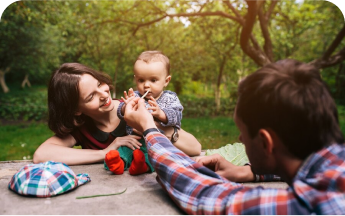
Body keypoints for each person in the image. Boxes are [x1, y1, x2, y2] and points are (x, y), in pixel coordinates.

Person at [122, 59, 345, 215]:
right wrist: (248, 171)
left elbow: (204, 195)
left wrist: (149, 127)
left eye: (243, 133)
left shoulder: (307, 208)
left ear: (266, 142)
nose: (239, 138)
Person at [32, 63, 201, 173]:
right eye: (91, 97)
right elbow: (41, 155)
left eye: (99, 84)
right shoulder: (82, 128)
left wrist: (150, 126)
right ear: (76, 110)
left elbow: (195, 148)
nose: (104, 95)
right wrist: (106, 152)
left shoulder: (133, 107)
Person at [118, 51, 183, 143]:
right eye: (141, 80)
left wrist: (161, 114)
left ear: (166, 81)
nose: (146, 85)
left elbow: (177, 116)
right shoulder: (135, 97)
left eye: (153, 80)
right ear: (135, 79)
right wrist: (125, 106)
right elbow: (120, 113)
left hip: (161, 142)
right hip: (136, 141)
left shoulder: (170, 98)